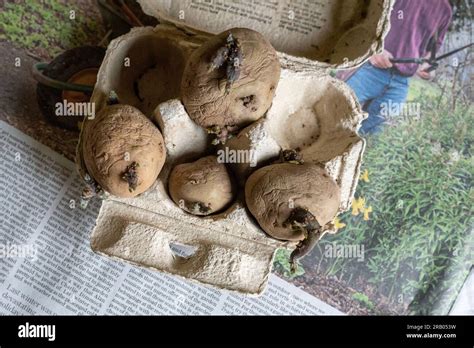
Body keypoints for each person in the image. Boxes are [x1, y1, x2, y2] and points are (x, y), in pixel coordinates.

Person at [343, 0, 452, 134]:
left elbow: (432, 52)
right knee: (334, 117)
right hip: (368, 69)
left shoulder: (445, 10)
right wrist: (373, 47)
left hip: (400, 84)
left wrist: (428, 68)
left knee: (373, 137)